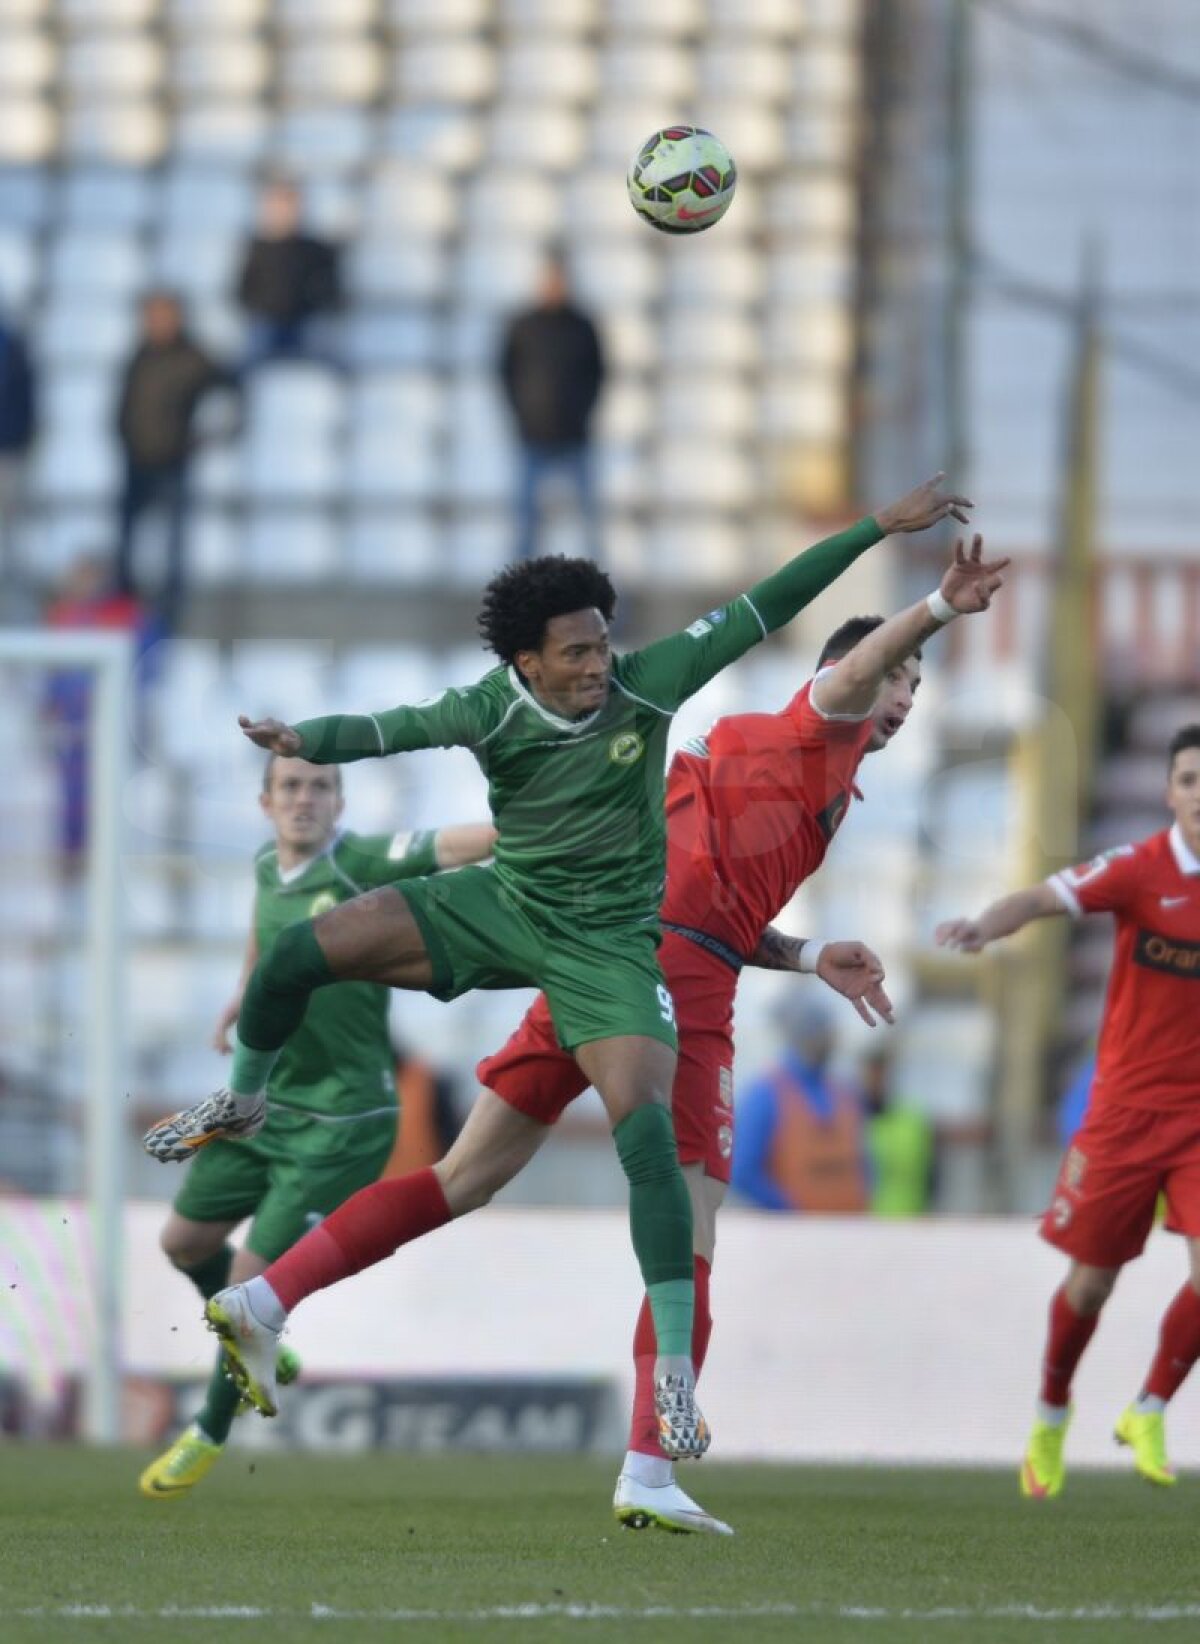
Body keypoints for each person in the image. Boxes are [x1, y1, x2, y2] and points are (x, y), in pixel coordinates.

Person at [168, 526, 1005, 1535]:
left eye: (917, 683)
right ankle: (652, 1465)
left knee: (465, 1178)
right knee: (688, 1223)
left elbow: (704, 893)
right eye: (897, 675)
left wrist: (800, 955)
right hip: (668, 983)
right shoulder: (811, 723)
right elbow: (834, 671)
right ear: (842, 673)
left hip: (602, 948)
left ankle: (264, 1301)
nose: (906, 696)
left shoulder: (786, 767)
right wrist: (939, 607)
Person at [139, 753, 494, 1499]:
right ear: (265, 802)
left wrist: (539, 829)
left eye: (320, 786)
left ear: (340, 800)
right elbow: (266, 936)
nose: (305, 799)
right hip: (266, 1106)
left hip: (343, 1119)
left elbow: (451, 844)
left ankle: (207, 1432)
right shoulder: (269, 863)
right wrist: (242, 996)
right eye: (291, 786)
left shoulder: (361, 862)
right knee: (182, 1243)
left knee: (244, 1291)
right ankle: (262, 1343)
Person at [936, 724, 1200, 1498]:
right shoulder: (1140, 869)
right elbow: (1045, 896)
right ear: (1169, 792)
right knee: (1092, 1286)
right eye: (1189, 779)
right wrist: (986, 923)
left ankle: (1149, 1406)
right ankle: (1052, 1410)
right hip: (1125, 1113)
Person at [42, 554, 166, 878]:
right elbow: (51, 672)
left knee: (110, 793)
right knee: (71, 797)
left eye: (89, 575)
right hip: (73, 726)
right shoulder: (62, 615)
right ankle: (71, 864)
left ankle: (107, 865)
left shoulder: (127, 615)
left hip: (112, 722)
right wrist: (49, 706)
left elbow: (150, 663)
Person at [114, 291, 230, 629]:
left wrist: (207, 436)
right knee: (128, 541)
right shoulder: (140, 354)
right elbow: (126, 404)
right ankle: (126, 605)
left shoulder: (195, 358)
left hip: (173, 461)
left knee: (172, 544)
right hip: (136, 458)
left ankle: (170, 614)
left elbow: (228, 394)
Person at [499, 255, 605, 562]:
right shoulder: (523, 326)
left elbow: (598, 374)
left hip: (575, 438)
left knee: (591, 527)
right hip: (533, 438)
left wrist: (582, 414)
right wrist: (523, 416)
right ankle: (517, 603)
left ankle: (604, 599)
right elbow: (505, 373)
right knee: (525, 527)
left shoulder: (582, 326)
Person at [732, 998, 870, 1213]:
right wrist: (789, 1210)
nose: (828, 1040)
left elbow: (864, 1162)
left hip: (851, 1232)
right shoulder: (765, 1094)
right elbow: (742, 1172)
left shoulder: (846, 1093)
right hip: (792, 1237)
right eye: (821, 1032)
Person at [237, 178, 342, 371]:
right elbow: (243, 291)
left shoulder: (316, 249)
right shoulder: (257, 249)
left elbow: (330, 292)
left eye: (288, 206)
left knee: (326, 351)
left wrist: (311, 305)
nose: (283, 213)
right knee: (248, 359)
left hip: (305, 322)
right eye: (278, 206)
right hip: (268, 321)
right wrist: (264, 307)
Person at [860, 1045, 936, 1216]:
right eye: (872, 1072)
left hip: (909, 1221)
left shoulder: (913, 1119)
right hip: (863, 1227)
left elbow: (931, 1177)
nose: (876, 1079)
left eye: (881, 1072)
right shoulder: (850, 1121)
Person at [0, 307, 35, 615]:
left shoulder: (13, 346)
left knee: (11, 543)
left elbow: (25, 403)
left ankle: (16, 614)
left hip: (6, 454)